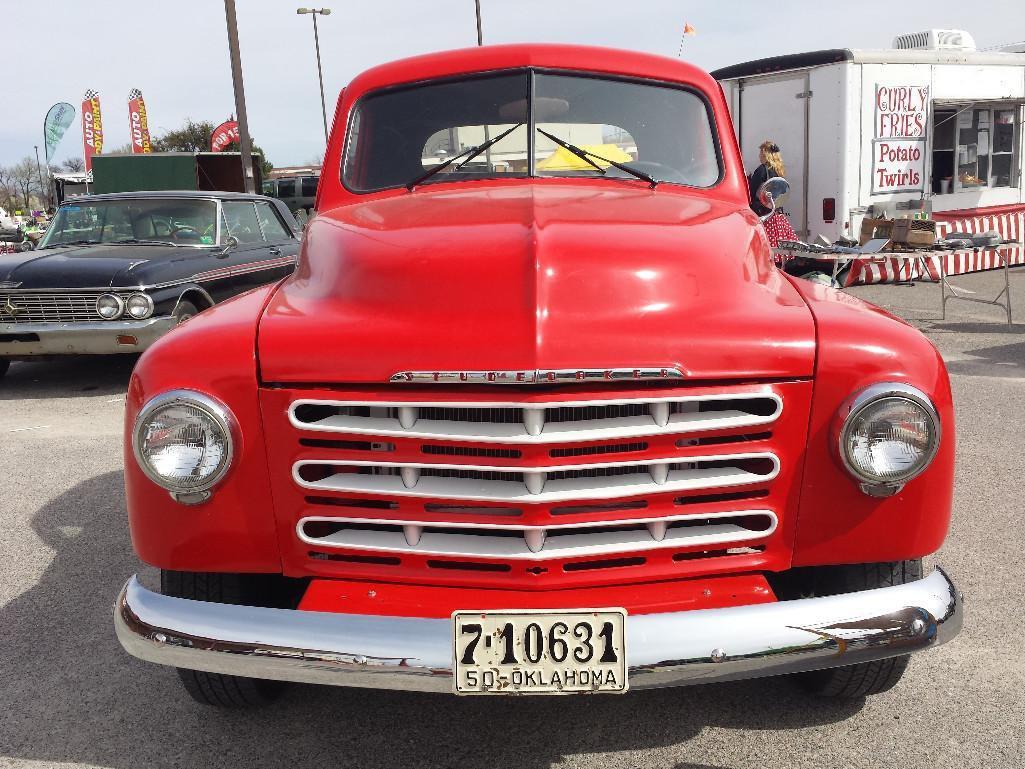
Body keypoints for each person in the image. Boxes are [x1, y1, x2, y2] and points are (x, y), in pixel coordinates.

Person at [748, 140, 797, 254]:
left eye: (761, 152)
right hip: (776, 215)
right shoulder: (778, 170)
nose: (759, 155)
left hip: (764, 214)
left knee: (764, 249)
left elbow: (752, 191)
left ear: (765, 154)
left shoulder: (761, 170)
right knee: (778, 248)